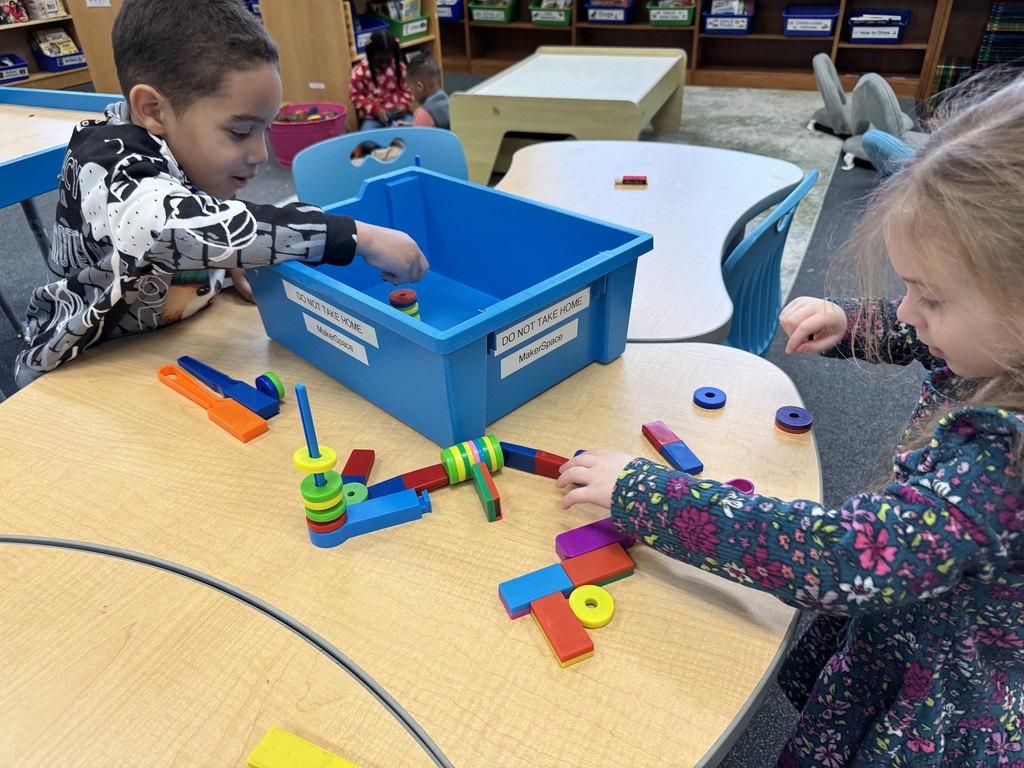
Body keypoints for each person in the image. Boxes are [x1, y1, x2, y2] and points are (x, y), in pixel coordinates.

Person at [556, 73, 1024, 767]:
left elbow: (841, 554)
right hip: (920, 626)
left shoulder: (999, 471)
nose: (906, 312)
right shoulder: (1003, 351)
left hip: (940, 705)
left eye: (929, 297)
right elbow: (937, 347)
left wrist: (644, 493)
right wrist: (853, 321)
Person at [14, 0, 428, 389]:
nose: (260, 154)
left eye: (264, 129)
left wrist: (229, 263)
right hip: (78, 372)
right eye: (240, 131)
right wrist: (357, 237)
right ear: (154, 110)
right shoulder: (110, 162)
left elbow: (205, 213)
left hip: (165, 346)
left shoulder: (179, 141)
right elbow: (170, 226)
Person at [349, 28, 412, 130]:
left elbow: (409, 90)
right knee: (367, 141)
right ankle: (395, 141)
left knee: (415, 128)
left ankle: (391, 141)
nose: (384, 65)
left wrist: (404, 105)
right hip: (373, 119)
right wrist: (375, 110)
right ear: (371, 55)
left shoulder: (400, 68)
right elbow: (355, 96)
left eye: (388, 61)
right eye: (379, 61)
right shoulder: (360, 71)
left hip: (398, 116)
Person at [406, 51, 449, 130]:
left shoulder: (423, 112)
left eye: (411, 89)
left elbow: (419, 141)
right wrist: (412, 125)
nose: (412, 95)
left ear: (420, 86)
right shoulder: (449, 101)